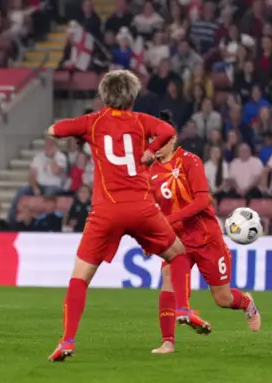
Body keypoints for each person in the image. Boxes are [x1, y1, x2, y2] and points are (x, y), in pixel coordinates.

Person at [45, 70, 209, 362]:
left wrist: (82, 135)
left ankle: (67, 341)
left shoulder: (92, 122)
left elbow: (54, 130)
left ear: (103, 95)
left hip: (106, 210)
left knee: (79, 278)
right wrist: (149, 150)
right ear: (133, 96)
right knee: (178, 255)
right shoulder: (140, 120)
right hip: (143, 207)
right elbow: (168, 132)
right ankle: (183, 307)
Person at [148, 112, 261, 355]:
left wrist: (170, 219)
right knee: (168, 278)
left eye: (159, 139)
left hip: (206, 237)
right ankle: (168, 341)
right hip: (178, 240)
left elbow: (201, 202)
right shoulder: (150, 173)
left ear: (173, 138)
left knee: (222, 299)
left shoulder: (190, 161)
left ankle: (247, 302)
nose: (154, 145)